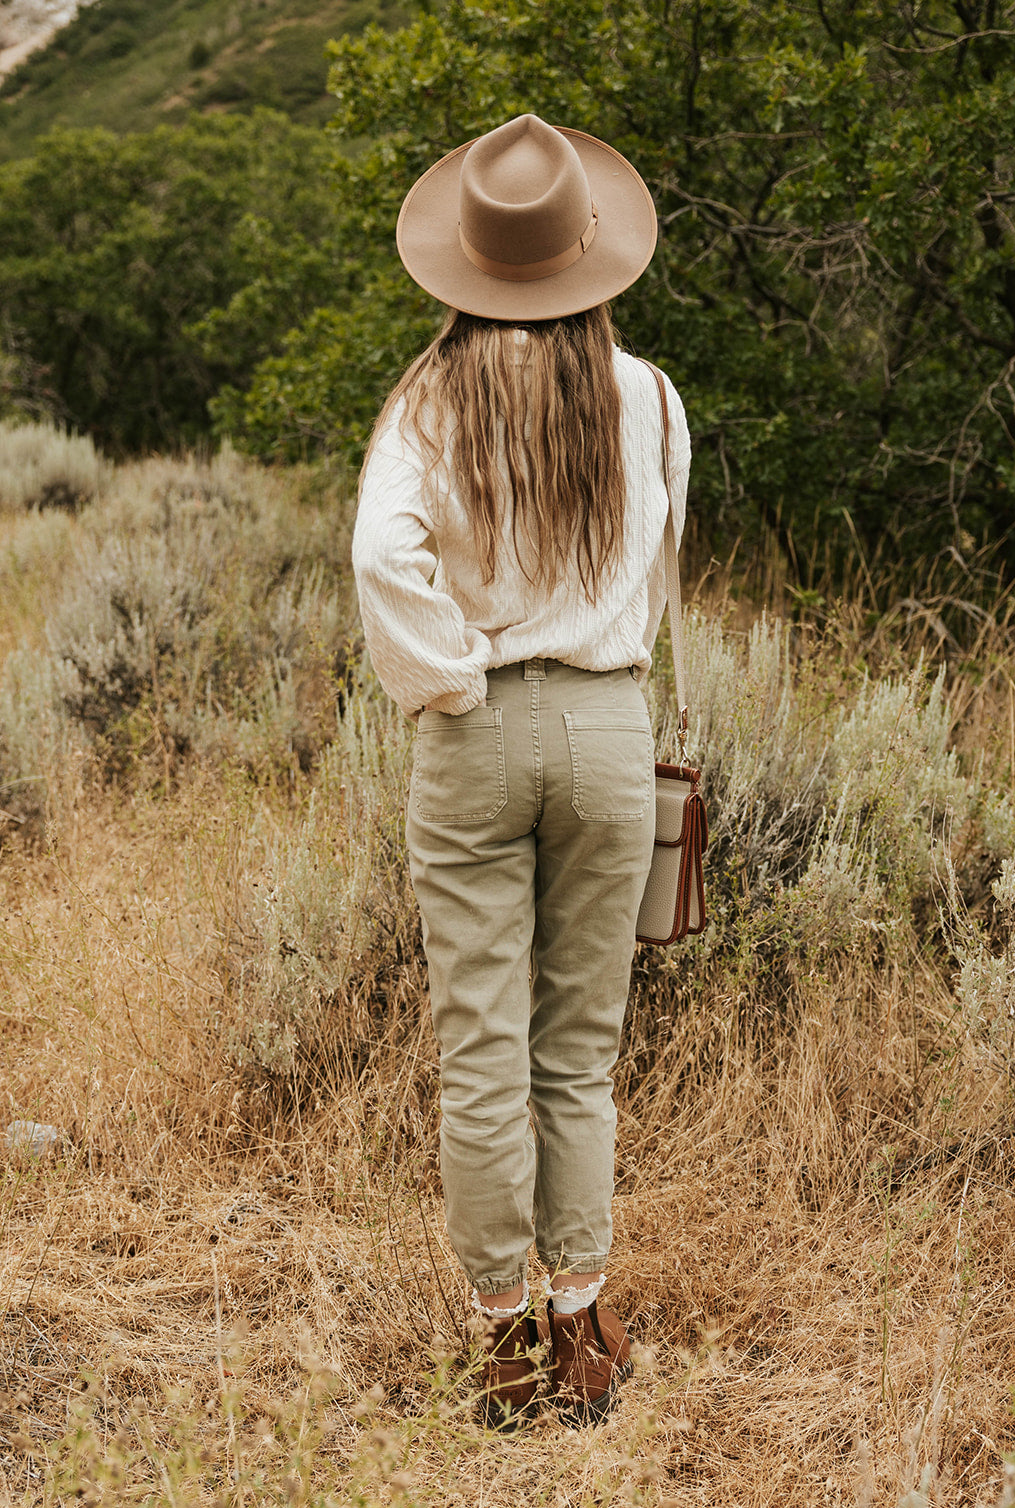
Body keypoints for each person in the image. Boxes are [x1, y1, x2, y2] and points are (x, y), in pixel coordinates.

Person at [352, 113, 690, 1426]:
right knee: (580, 1051)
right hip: (608, 730)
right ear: (588, 253)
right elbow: (656, 566)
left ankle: (502, 1342)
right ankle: (582, 1325)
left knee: (483, 1051)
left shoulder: (427, 400)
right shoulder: (649, 396)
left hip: (477, 732)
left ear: (470, 261)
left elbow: (383, 558)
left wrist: (453, 675)